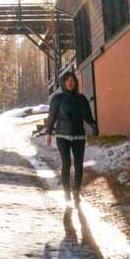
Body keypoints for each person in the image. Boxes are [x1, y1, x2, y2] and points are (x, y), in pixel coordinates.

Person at [44, 70, 97, 203]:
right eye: (67, 80)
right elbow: (51, 117)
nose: (70, 82)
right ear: (63, 82)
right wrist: (48, 133)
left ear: (75, 81)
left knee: (79, 165)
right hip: (62, 136)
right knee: (66, 163)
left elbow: (87, 115)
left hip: (79, 136)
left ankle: (76, 192)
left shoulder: (82, 99)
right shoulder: (58, 99)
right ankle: (66, 191)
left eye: (72, 79)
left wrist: (93, 125)